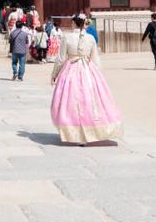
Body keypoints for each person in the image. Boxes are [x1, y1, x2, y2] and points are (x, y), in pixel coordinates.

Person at [50, 14, 123, 144]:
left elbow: (61, 59)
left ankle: (75, 132)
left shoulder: (67, 37)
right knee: (89, 101)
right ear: (84, 24)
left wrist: (55, 74)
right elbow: (96, 59)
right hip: (88, 71)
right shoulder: (90, 38)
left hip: (71, 69)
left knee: (71, 101)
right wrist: (99, 77)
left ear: (73, 23)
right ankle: (90, 131)